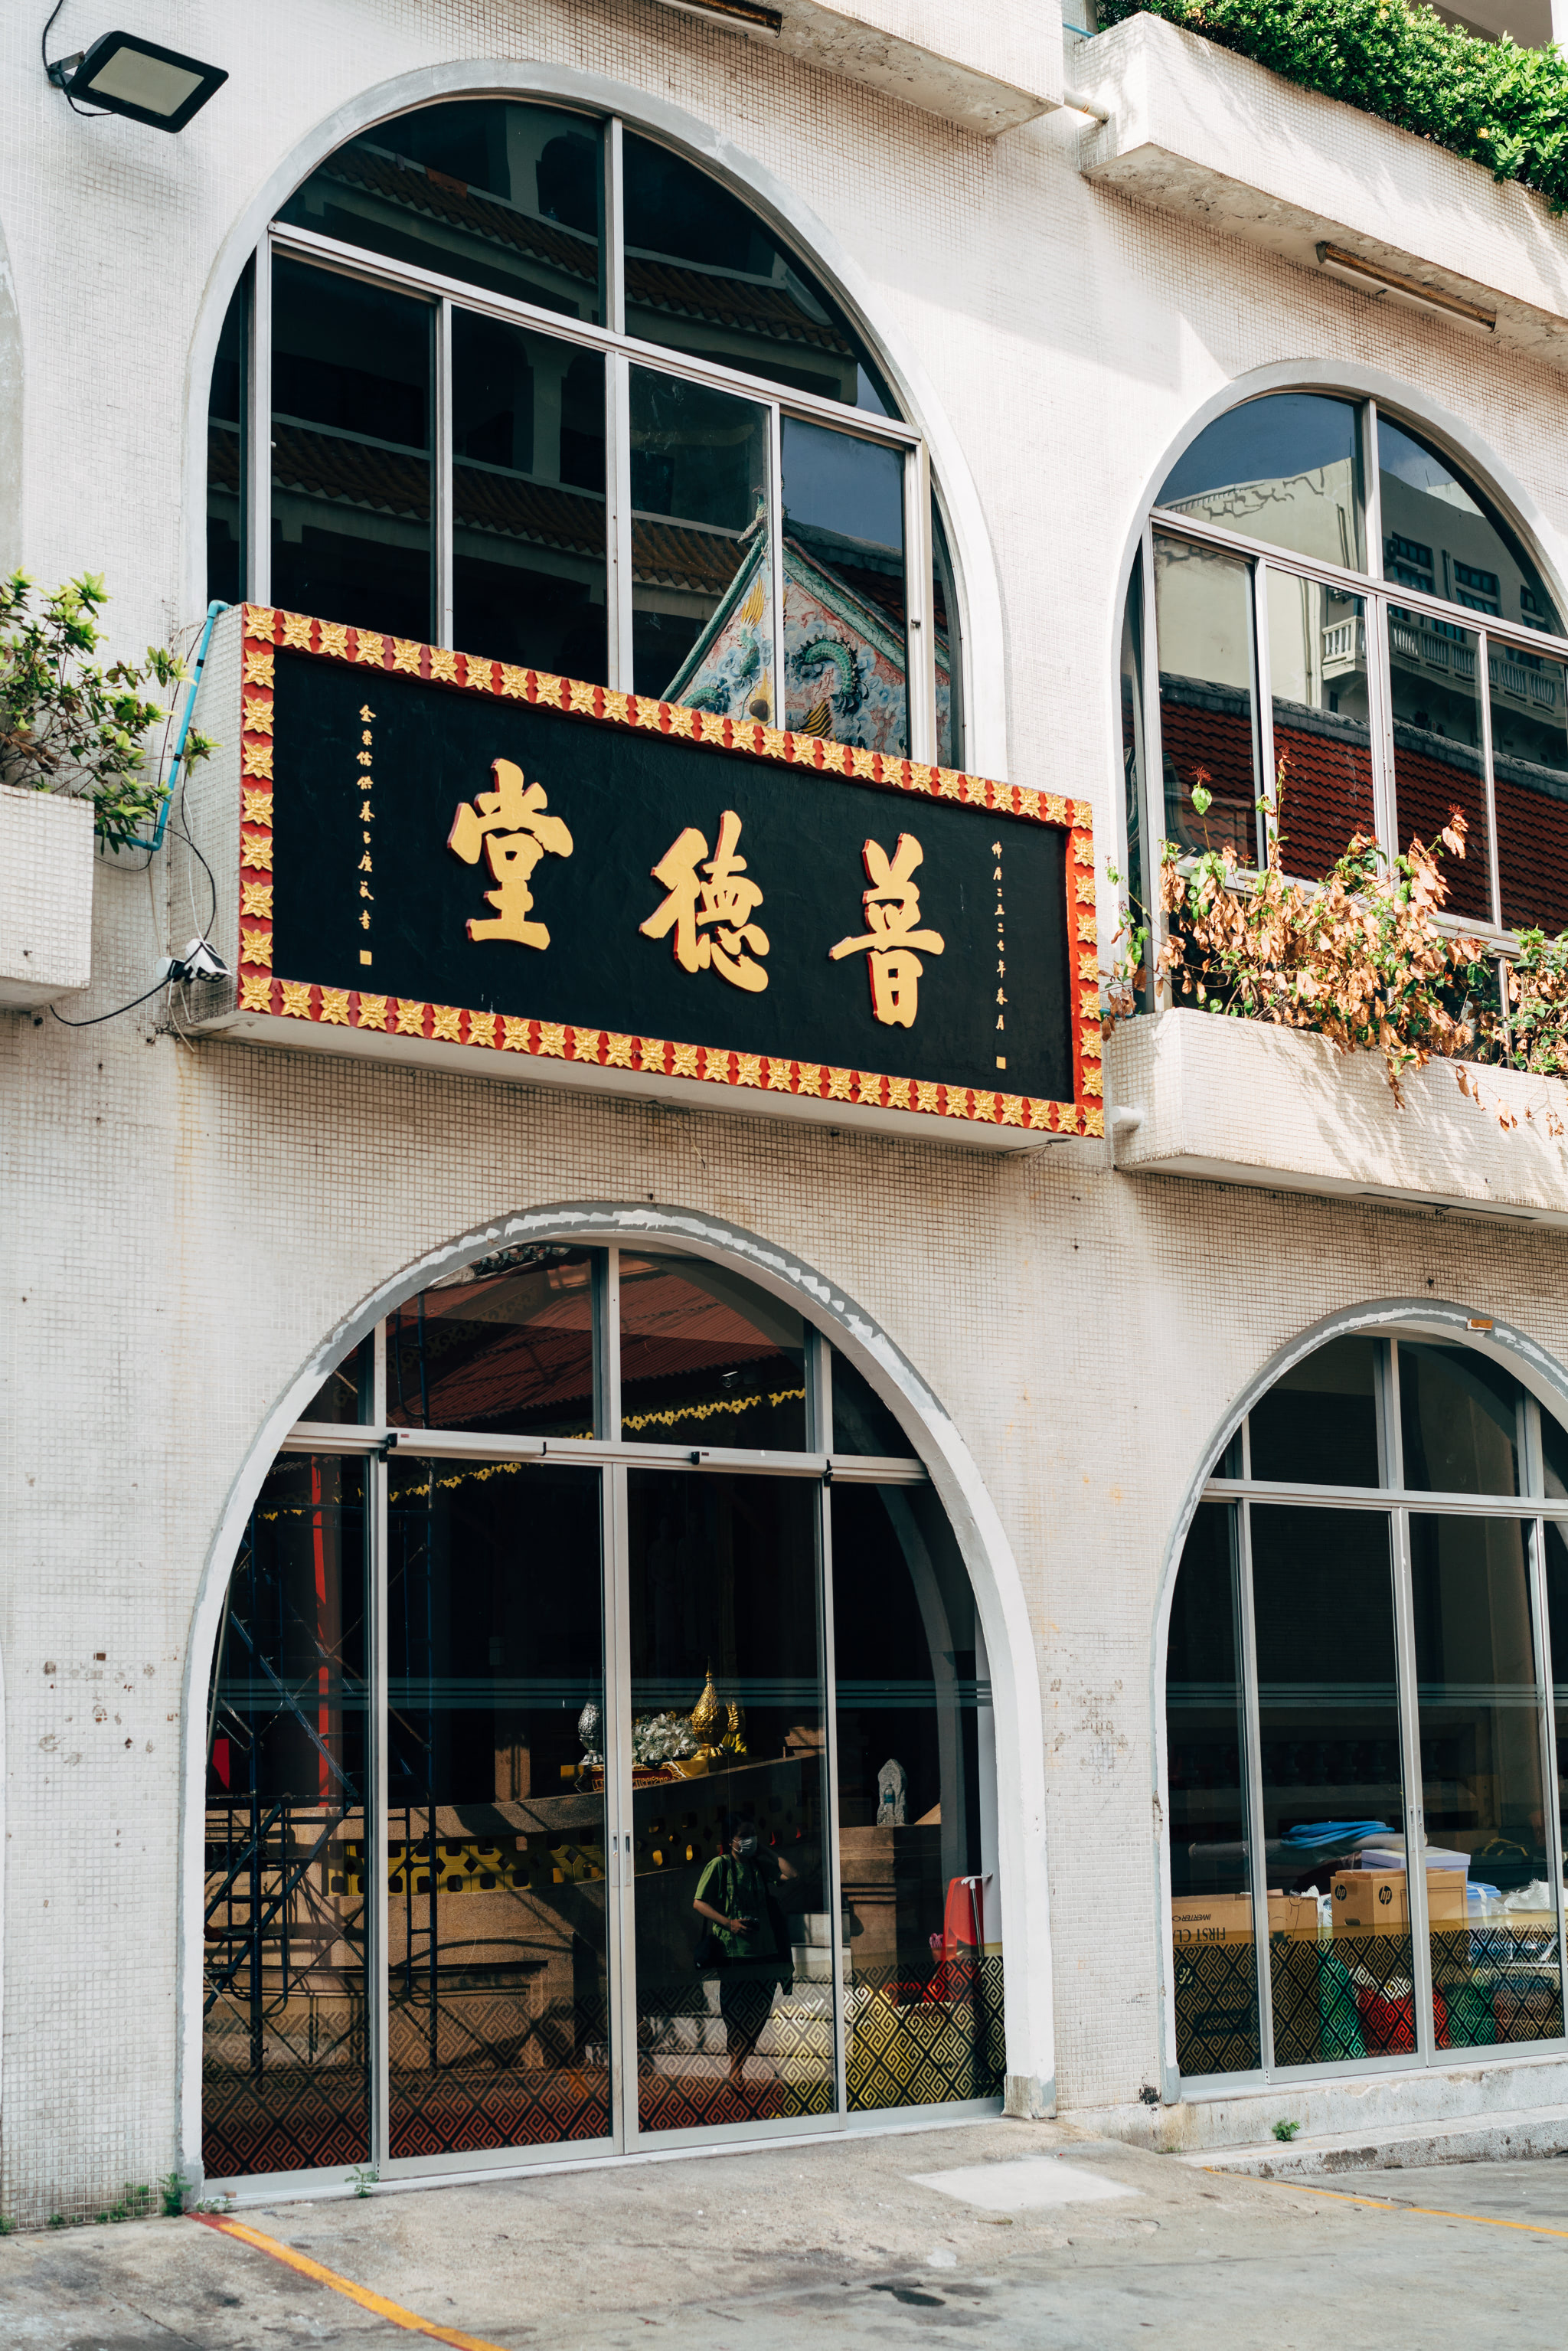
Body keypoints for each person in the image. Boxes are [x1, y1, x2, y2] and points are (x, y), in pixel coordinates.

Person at [692, 1817, 795, 2094]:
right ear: (731, 1840)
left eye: (753, 1834)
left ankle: (736, 2069)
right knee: (736, 2014)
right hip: (734, 1952)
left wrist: (766, 1851)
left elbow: (792, 1875)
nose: (750, 1839)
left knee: (759, 2012)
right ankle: (735, 2069)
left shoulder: (758, 1866)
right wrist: (729, 1923)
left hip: (766, 1951)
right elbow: (699, 1903)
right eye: (744, 1835)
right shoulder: (720, 1865)